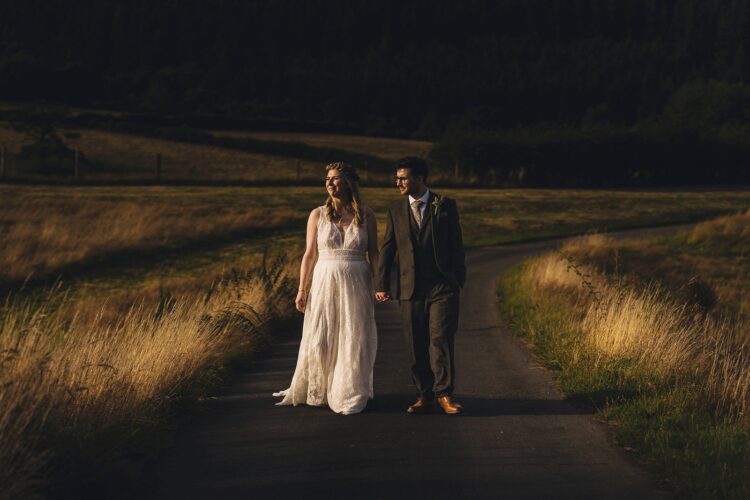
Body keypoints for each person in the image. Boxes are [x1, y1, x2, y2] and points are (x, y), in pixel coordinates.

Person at [274, 162, 378, 415]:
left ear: (349, 183)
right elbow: (310, 255)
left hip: (357, 281)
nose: (330, 183)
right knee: (321, 336)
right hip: (324, 280)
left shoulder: (366, 214)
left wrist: (381, 284)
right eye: (327, 179)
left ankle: (348, 390)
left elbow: (374, 253)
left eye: (336, 179)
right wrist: (301, 289)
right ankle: (319, 387)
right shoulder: (318, 214)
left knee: (353, 335)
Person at [375, 157, 466, 415]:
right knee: (415, 343)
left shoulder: (445, 205)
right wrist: (381, 283)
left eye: (403, 178)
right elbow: (388, 248)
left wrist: (458, 279)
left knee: (440, 340)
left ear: (419, 179)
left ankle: (444, 394)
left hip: (442, 287)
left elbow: (457, 246)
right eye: (397, 178)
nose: (398, 183)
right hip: (409, 288)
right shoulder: (395, 209)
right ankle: (424, 394)